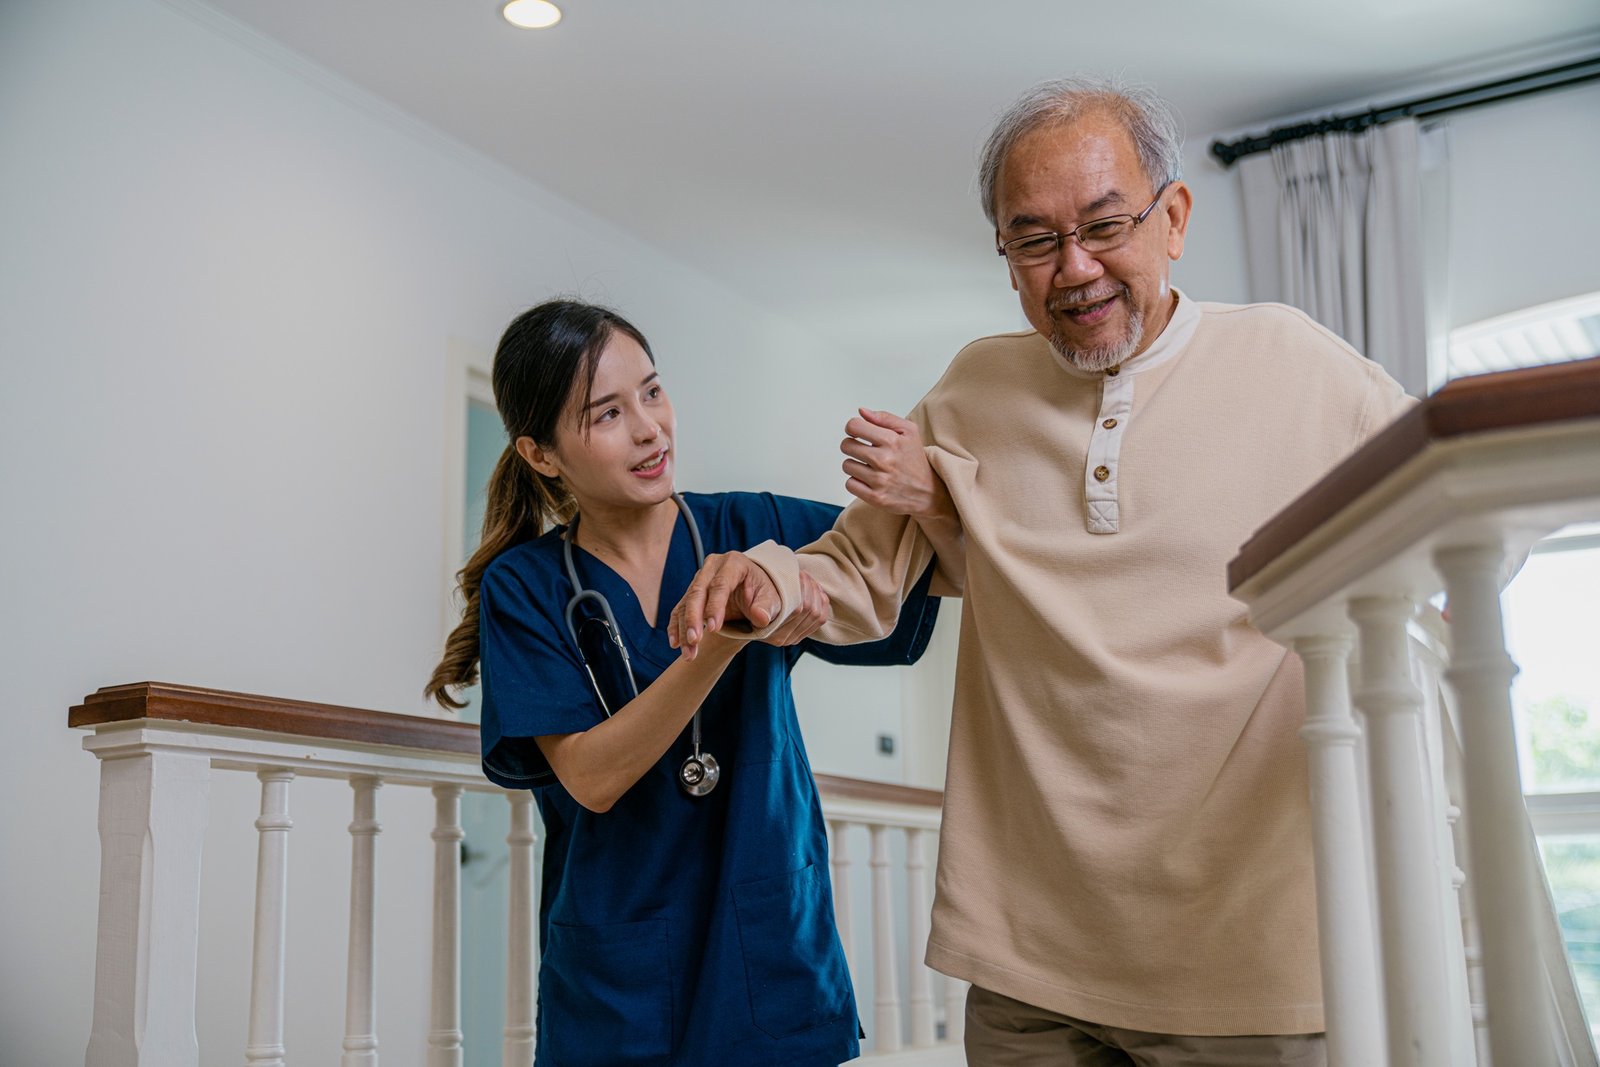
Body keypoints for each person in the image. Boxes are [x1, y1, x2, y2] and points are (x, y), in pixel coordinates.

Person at [669, 77, 1414, 1065]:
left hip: (1248, 954)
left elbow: (1444, 512)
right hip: (1029, 960)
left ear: (1173, 219)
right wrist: (769, 581)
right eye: (1034, 240)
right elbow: (855, 572)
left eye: (1104, 226)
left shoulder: (1294, 364)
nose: (1075, 268)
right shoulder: (973, 389)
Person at [424, 299, 941, 1067]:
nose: (650, 428)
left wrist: (928, 490)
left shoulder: (753, 529)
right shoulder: (526, 586)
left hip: (768, 947)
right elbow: (592, 777)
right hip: (619, 978)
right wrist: (722, 639)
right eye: (607, 413)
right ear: (541, 453)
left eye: (653, 391)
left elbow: (914, 571)